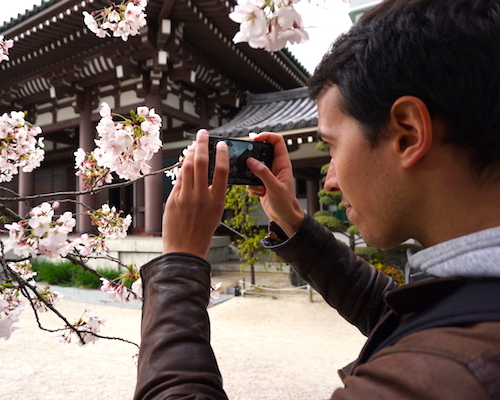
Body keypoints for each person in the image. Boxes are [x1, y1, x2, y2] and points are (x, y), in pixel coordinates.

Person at [134, 0, 500, 399]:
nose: (330, 182)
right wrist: (294, 222)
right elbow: (395, 314)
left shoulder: (445, 376)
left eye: (331, 147)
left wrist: (179, 261)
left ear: (408, 134)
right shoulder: (470, 307)